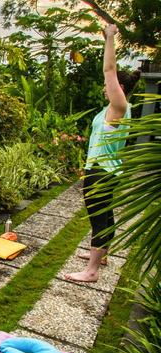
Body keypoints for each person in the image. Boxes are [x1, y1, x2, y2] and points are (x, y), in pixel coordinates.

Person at [65, 24, 140, 282]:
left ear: (118, 86)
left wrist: (109, 38)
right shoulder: (111, 108)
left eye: (109, 85)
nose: (105, 87)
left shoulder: (119, 106)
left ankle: (92, 271)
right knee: (105, 214)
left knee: (98, 218)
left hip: (101, 171)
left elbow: (109, 69)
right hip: (103, 169)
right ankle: (101, 254)